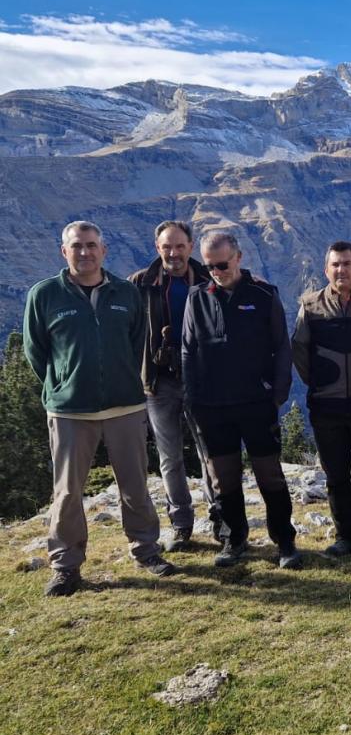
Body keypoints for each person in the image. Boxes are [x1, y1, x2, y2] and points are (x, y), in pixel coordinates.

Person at [23, 220, 176, 597]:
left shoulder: (125, 293)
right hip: (70, 411)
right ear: (64, 251)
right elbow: (35, 351)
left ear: (103, 250)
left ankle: (146, 551)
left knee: (135, 485)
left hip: (124, 405)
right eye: (77, 246)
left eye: (92, 245)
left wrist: (126, 379)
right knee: (68, 492)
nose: (85, 252)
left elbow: (137, 339)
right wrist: (62, 383)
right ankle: (66, 566)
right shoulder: (44, 295)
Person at [181, 231, 301, 569]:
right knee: (223, 478)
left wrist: (277, 393)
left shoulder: (264, 294)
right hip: (212, 406)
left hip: (256, 402)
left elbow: (282, 346)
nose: (216, 272)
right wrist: (192, 398)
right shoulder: (197, 298)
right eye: (209, 266)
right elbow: (188, 350)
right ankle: (234, 539)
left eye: (222, 264)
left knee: (269, 474)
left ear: (238, 257)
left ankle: (284, 540)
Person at [291, 241, 351, 558]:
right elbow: (300, 352)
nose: (341, 270)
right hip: (326, 408)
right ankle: (344, 537)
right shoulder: (311, 306)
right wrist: (321, 382)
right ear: (326, 270)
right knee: (335, 476)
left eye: (347, 264)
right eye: (335, 265)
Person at [130, 220, 221, 551]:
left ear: (191, 247)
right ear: (158, 248)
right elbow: (129, 331)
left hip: (204, 380)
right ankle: (181, 525)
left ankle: (221, 521)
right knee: (170, 458)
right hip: (159, 382)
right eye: (167, 246)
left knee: (210, 453)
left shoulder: (209, 279)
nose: (173, 252)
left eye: (180, 246)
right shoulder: (141, 284)